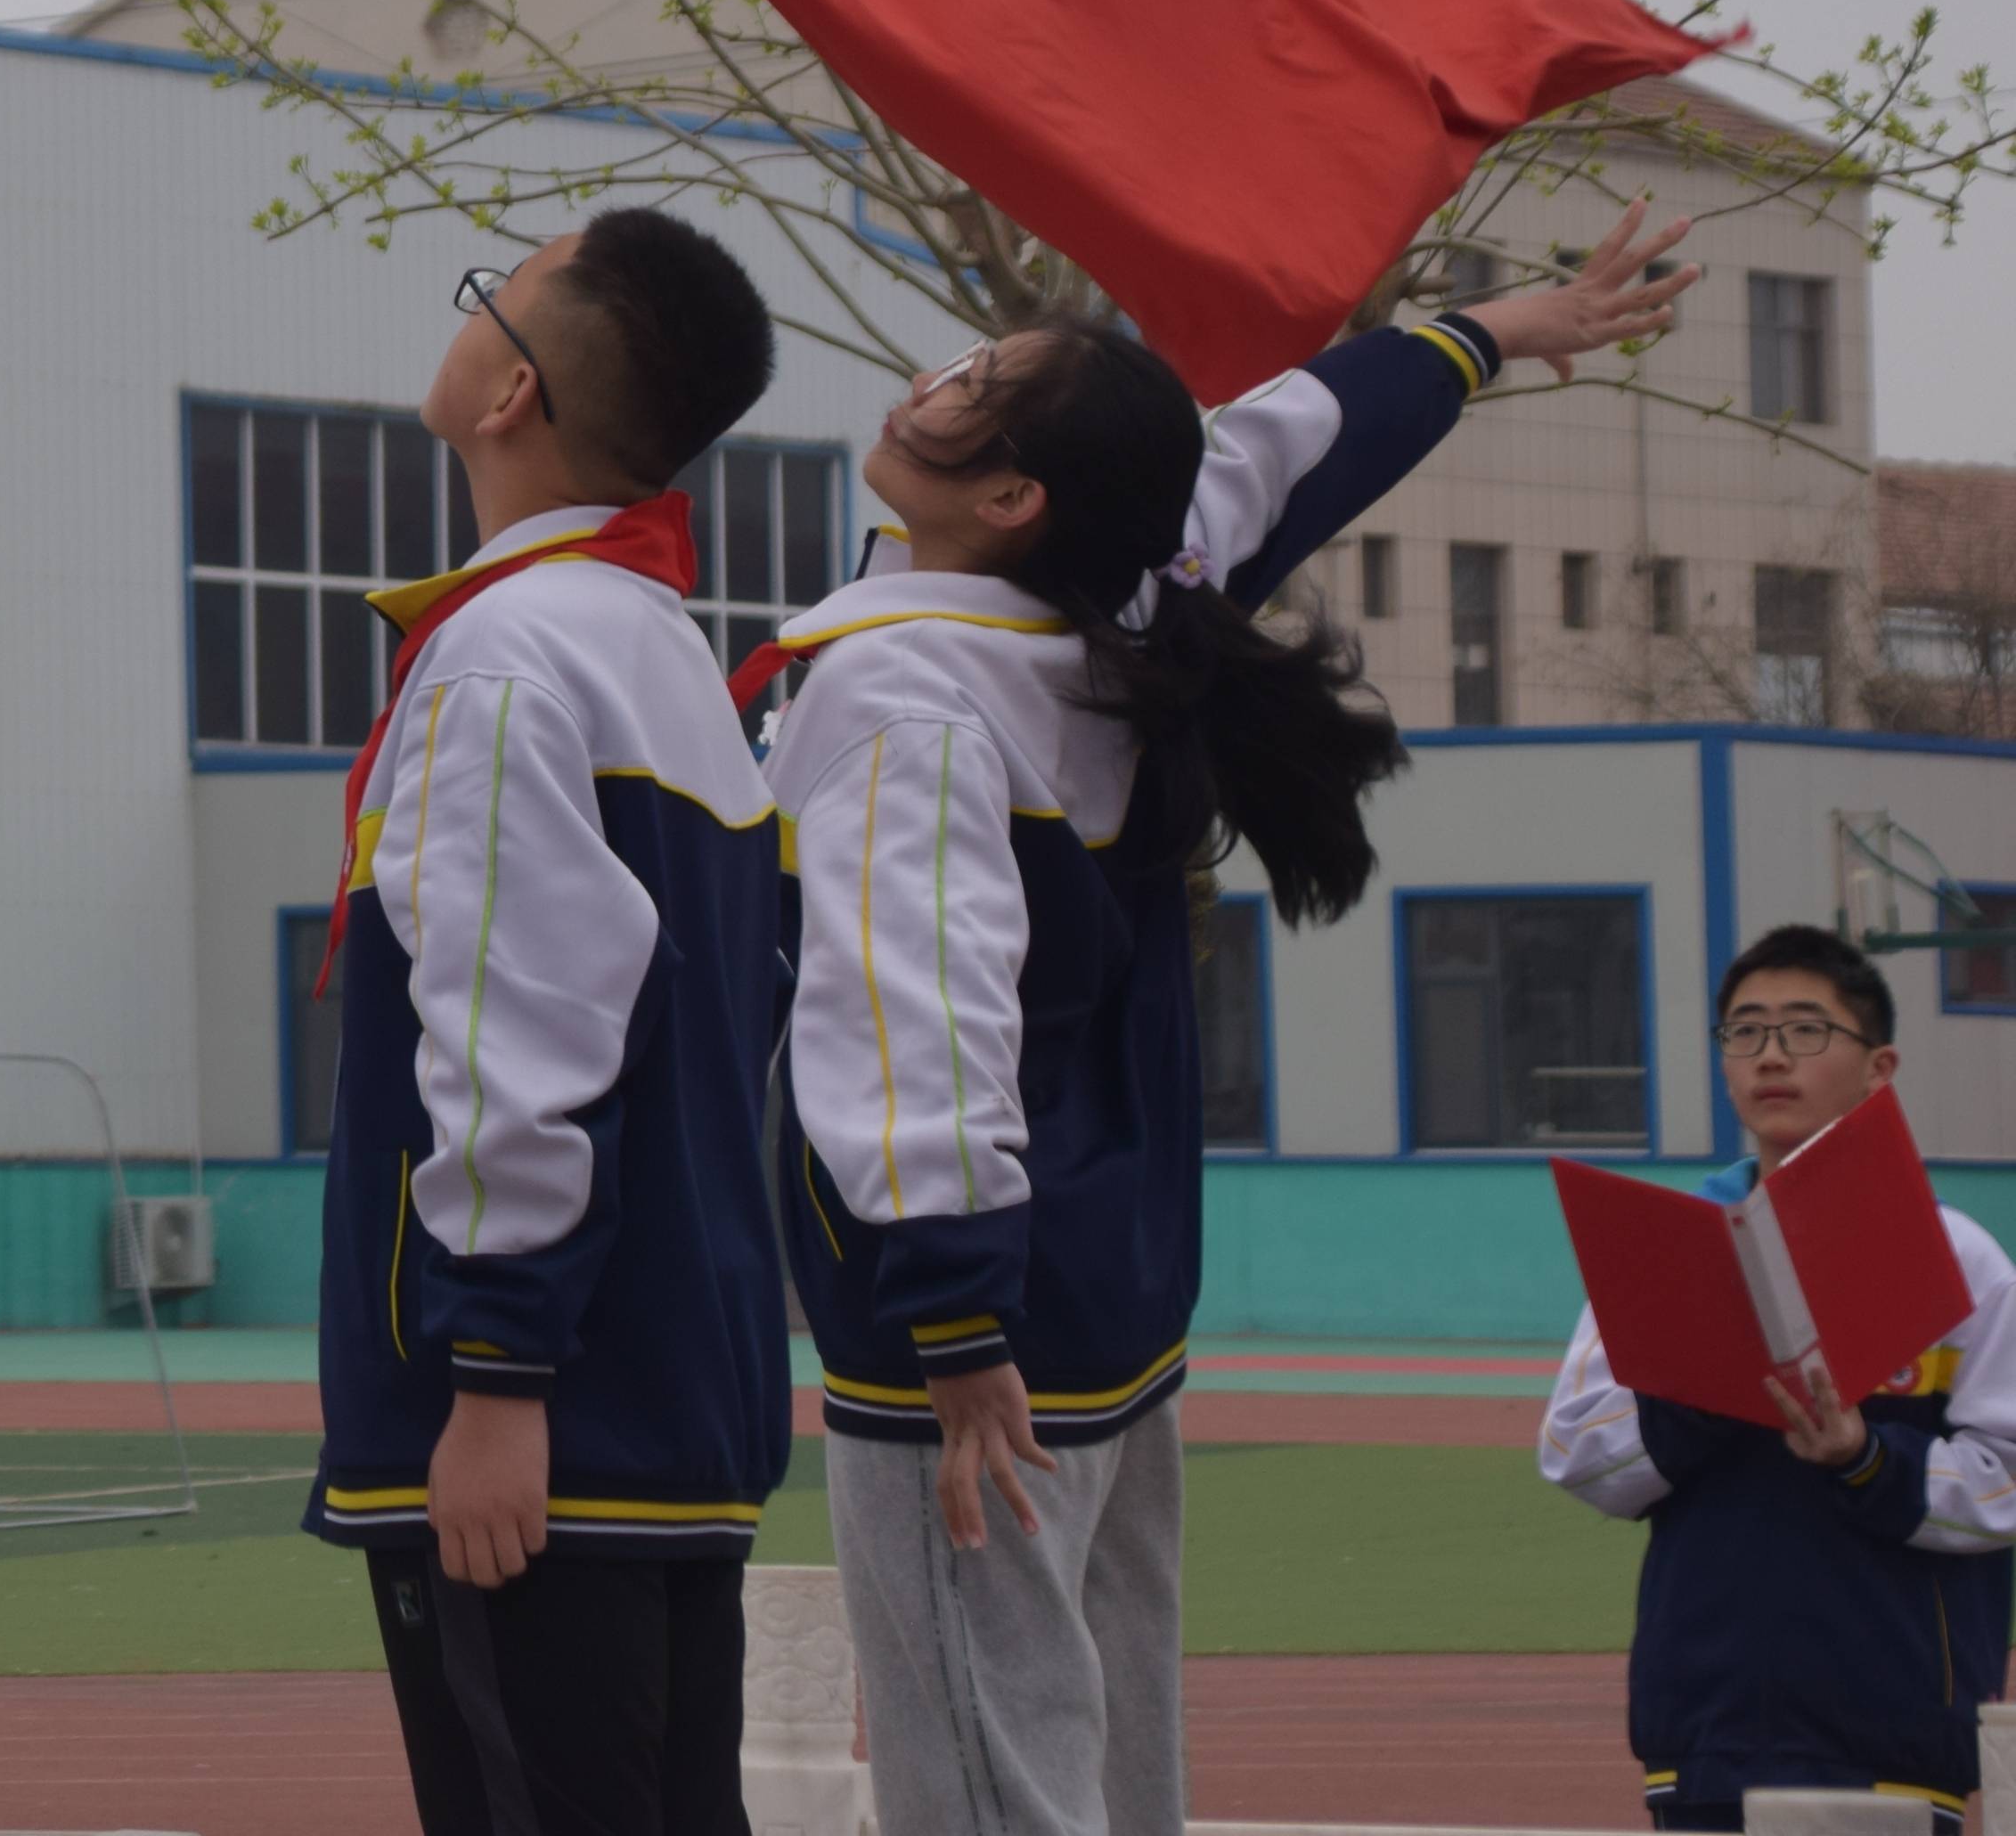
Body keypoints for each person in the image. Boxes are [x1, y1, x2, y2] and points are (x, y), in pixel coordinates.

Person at [765, 207, 1698, 1836]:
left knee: (985, 1770)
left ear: (1009, 500)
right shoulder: (1140, 589)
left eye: (975, 381)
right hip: (1118, 1299)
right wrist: (1491, 332)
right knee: (1107, 1749)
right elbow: (1299, 442)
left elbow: (915, 1009)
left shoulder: (900, 692)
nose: (933, 375)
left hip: (979, 1327)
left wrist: (953, 1320)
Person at [307, 207, 796, 1836]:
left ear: (512, 393)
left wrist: (497, 1372)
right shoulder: (657, 650)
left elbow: (522, 1036)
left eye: (490, 297)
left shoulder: (504, 660)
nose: (464, 318)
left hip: (549, 1418)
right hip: (675, 1385)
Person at [1545, 925, 2016, 1832]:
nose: (1770, 1055)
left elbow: (2006, 1480)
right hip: (1707, 1732)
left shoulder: (1957, 1259)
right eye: (1745, 1031)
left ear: (1880, 1067)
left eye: (1806, 1030)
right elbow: (1577, 1457)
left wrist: (1864, 1457)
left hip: (1888, 1736)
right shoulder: (1663, 1251)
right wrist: (1704, 1389)